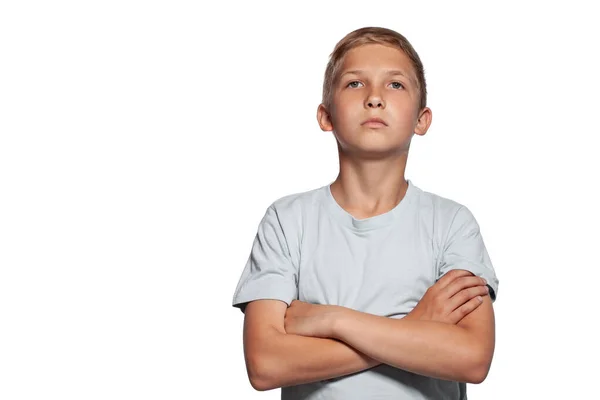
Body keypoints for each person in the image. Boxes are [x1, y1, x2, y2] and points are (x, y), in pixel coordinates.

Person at [232, 26, 499, 399]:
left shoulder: (452, 223)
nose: (375, 98)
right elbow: (265, 364)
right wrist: (415, 328)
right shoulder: (287, 221)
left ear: (422, 119)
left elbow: (471, 358)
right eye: (355, 84)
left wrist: (333, 319)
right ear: (326, 116)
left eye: (395, 85)